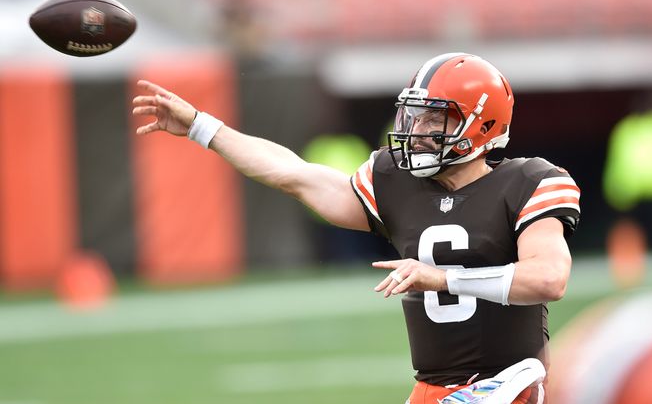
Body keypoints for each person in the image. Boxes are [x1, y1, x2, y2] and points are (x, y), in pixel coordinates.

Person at [131, 52, 580, 404]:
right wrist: (201, 127)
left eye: (434, 119)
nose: (417, 130)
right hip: (431, 389)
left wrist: (441, 277)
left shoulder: (527, 182)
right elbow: (294, 174)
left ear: (480, 125)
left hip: (505, 389)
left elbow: (548, 278)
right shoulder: (395, 182)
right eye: (415, 116)